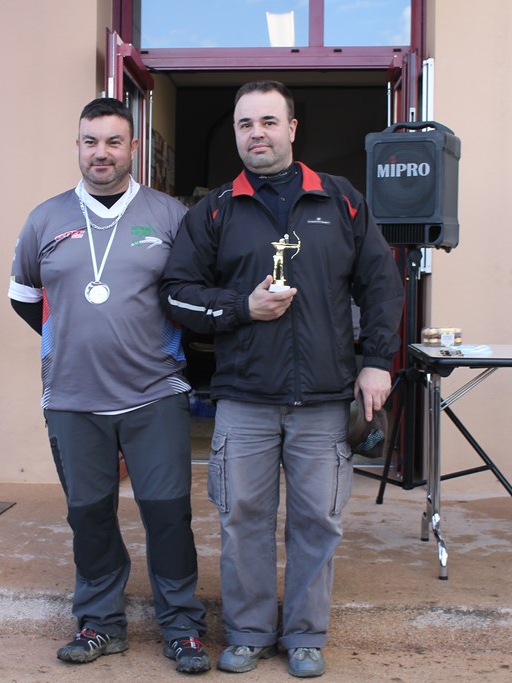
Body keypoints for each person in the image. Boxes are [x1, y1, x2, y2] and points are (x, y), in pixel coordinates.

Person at [160, 81, 404, 678]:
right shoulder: (215, 210)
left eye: (269, 122)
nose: (257, 134)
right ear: (237, 134)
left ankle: (304, 635)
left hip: (323, 398)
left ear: (292, 129)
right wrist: (242, 307)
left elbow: (381, 284)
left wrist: (377, 361)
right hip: (244, 397)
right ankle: (247, 633)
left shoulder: (340, 200)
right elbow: (177, 294)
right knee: (242, 518)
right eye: (246, 124)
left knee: (318, 520)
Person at [8, 97, 210, 674]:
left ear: (133, 148)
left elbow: (191, 296)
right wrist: (75, 337)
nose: (102, 153)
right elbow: (24, 298)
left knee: (167, 515)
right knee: (89, 515)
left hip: (155, 394)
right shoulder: (45, 218)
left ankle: (182, 627)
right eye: (91, 141)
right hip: (72, 399)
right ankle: (100, 623)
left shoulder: (169, 215)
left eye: (114, 141)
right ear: (77, 146)